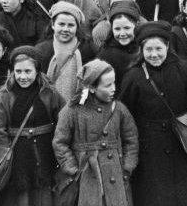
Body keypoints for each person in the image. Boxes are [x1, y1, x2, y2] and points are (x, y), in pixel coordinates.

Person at [119, 20, 187, 206]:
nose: (154, 54)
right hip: (150, 151)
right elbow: (124, 114)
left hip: (185, 144)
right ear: (141, 50)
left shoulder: (182, 68)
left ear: (167, 46)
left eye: (158, 48)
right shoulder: (133, 76)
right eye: (148, 50)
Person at [51, 59, 139, 206]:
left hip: (115, 176)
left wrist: (127, 167)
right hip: (85, 176)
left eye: (114, 83)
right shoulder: (72, 111)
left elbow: (131, 139)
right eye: (108, 85)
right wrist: (73, 169)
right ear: (91, 87)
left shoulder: (119, 109)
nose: (113, 89)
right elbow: (60, 142)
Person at [0, 46, 66, 206]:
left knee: (42, 194)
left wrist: (58, 146)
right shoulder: (4, 95)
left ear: (37, 71)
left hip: (44, 153)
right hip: (16, 154)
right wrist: (4, 155)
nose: (23, 76)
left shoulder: (49, 93)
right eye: (18, 71)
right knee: (19, 196)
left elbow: (64, 122)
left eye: (28, 71)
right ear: (12, 71)